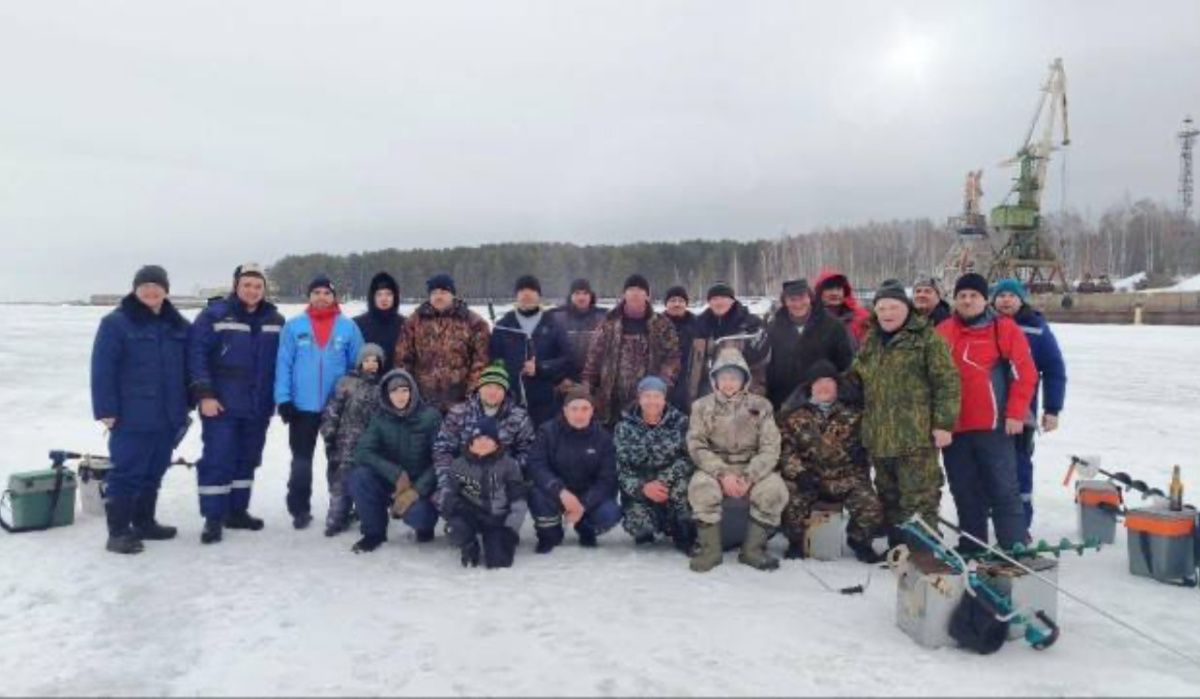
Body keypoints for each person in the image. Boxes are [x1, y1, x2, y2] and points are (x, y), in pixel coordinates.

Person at [846, 280, 960, 547]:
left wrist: (944, 423)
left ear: (906, 308)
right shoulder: (871, 339)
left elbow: (947, 382)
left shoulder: (926, 338)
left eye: (893, 307)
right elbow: (857, 375)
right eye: (882, 307)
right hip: (879, 436)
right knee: (889, 497)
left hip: (915, 438)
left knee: (919, 499)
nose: (887, 313)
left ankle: (923, 554)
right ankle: (898, 552)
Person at [90, 265, 190, 554]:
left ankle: (144, 522)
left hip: (170, 413)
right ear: (135, 289)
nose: (151, 290)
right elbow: (102, 370)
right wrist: (106, 410)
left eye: (156, 286)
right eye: (144, 285)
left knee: (154, 470)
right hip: (131, 414)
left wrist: (191, 400)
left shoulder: (177, 325)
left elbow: (190, 365)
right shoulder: (116, 323)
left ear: (166, 290)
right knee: (127, 472)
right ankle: (118, 532)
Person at [936, 273, 1037, 552]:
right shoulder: (943, 331)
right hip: (954, 428)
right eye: (962, 296)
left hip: (994, 426)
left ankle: (1013, 543)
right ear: (955, 300)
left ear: (984, 300)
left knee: (1003, 487)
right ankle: (972, 543)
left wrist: (1016, 413)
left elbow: (1025, 373)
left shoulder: (1003, 329)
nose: (967, 301)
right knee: (965, 489)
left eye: (973, 296)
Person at [188, 263, 285, 544]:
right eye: (247, 285)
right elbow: (197, 356)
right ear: (236, 286)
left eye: (258, 286)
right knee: (218, 458)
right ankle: (213, 518)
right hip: (222, 404)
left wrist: (280, 398)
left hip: (257, 406)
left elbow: (283, 362)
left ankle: (237, 511)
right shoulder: (213, 315)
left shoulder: (275, 320)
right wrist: (205, 394)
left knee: (247, 459)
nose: (253, 291)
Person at [275, 275, 364, 530]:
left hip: (336, 410)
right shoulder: (294, 326)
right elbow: (284, 365)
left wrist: (350, 399)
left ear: (334, 297)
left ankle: (340, 508)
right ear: (309, 296)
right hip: (302, 409)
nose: (321, 297)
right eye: (317, 293)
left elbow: (355, 367)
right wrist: (283, 399)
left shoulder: (348, 328)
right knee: (301, 461)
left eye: (327, 292)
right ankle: (299, 508)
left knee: (338, 462)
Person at [686, 348, 787, 573]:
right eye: (723, 377)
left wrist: (750, 476)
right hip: (715, 466)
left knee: (774, 490)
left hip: (752, 466)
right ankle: (710, 550)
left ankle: (753, 550)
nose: (728, 383)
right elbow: (697, 445)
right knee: (701, 487)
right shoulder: (701, 406)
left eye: (734, 377)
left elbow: (771, 447)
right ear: (715, 380)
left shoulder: (761, 406)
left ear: (744, 380)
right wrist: (722, 474)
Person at [778, 361, 884, 563]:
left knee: (871, 507)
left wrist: (862, 461)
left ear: (837, 386)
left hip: (847, 478)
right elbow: (786, 450)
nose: (823, 387)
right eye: (818, 382)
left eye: (829, 382)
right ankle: (796, 542)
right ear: (810, 387)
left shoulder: (856, 415)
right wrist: (800, 473)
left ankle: (860, 541)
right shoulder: (795, 416)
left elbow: (871, 445)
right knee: (790, 503)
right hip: (810, 479)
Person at [991, 278, 1067, 527]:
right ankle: (983, 522)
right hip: (985, 412)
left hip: (1021, 413)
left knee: (1018, 466)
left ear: (1021, 299)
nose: (1005, 300)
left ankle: (1020, 524)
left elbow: (1054, 369)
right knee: (986, 467)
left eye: (1011, 296)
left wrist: (1052, 409)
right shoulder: (983, 324)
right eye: (1000, 295)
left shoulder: (1036, 328)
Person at [347, 370, 443, 552]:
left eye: (404, 390)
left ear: (413, 391)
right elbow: (362, 451)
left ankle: (425, 527)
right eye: (394, 391)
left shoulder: (431, 417)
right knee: (359, 476)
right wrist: (395, 473)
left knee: (419, 516)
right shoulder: (380, 419)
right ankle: (374, 533)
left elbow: (441, 459)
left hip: (420, 485)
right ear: (386, 394)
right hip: (391, 481)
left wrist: (415, 491)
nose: (400, 396)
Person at [526, 387, 622, 553]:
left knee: (610, 512)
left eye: (585, 409)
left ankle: (586, 528)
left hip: (588, 495)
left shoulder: (603, 438)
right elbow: (536, 465)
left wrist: (583, 505)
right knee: (536, 493)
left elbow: (607, 479)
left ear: (592, 411)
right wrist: (561, 492)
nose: (579, 414)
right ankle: (550, 533)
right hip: (556, 492)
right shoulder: (547, 432)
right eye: (574, 408)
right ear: (565, 410)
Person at [581, 274, 681, 427]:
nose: (635, 293)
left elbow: (672, 358)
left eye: (640, 290)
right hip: (611, 398)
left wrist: (660, 386)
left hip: (648, 399)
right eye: (631, 289)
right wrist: (587, 388)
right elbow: (594, 358)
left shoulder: (661, 324)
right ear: (624, 294)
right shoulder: (609, 322)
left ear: (647, 295)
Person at [614, 376, 696, 553]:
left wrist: (664, 481)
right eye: (647, 396)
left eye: (657, 396)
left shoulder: (681, 423)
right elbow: (621, 469)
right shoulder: (624, 427)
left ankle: (680, 526)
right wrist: (643, 487)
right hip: (641, 491)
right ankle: (650, 526)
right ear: (639, 398)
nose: (652, 401)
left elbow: (690, 458)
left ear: (664, 399)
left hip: (672, 488)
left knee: (684, 495)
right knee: (639, 527)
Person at [432, 363, 536, 496]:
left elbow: (529, 451)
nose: (492, 392)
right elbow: (442, 450)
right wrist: (449, 481)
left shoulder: (519, 416)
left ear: (506, 391)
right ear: (479, 388)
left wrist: (507, 471)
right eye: (488, 386)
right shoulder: (458, 413)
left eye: (498, 387)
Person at [394, 273, 491, 413]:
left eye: (443, 292)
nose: (438, 296)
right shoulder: (414, 322)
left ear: (452, 294)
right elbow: (402, 359)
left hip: (461, 401)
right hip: (422, 401)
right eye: (434, 292)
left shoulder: (474, 322)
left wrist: (472, 395)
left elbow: (481, 361)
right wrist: (408, 393)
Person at [441, 417, 528, 569]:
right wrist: (455, 511)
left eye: (488, 438)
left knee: (499, 562)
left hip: (497, 518)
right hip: (470, 515)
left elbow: (518, 500)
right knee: (455, 528)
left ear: (496, 443)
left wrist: (511, 529)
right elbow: (448, 496)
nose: (482, 442)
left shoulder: (509, 464)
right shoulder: (458, 465)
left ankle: (496, 542)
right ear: (471, 442)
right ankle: (469, 545)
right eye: (478, 438)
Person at [488, 275, 574, 428]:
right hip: (510, 401)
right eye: (521, 290)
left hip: (546, 402)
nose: (526, 294)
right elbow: (494, 360)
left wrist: (541, 368)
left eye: (531, 290)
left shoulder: (554, 324)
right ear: (516, 295)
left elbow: (568, 360)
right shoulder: (503, 326)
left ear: (539, 295)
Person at [318, 343, 386, 537]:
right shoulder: (346, 383)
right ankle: (336, 519)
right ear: (360, 363)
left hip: (372, 445)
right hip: (345, 442)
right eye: (367, 360)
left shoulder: (384, 386)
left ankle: (368, 517)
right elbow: (332, 411)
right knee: (340, 482)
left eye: (375, 360)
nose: (371, 364)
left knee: (367, 481)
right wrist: (329, 434)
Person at [764, 278, 854, 412]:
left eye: (802, 297)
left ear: (810, 297)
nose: (798, 303)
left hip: (825, 404)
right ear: (785, 302)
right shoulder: (773, 329)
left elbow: (846, 365)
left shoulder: (833, 326)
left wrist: (842, 396)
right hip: (784, 404)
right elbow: (769, 370)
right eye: (792, 299)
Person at [678, 281, 769, 407]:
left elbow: (761, 362)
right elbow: (691, 364)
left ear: (732, 300)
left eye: (724, 298)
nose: (719, 302)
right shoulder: (698, 325)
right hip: (706, 391)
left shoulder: (750, 324)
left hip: (742, 393)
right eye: (714, 299)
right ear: (709, 302)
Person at [549, 278, 607, 389]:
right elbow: (551, 351)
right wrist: (559, 378)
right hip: (564, 382)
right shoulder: (555, 317)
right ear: (571, 296)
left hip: (596, 382)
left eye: (585, 293)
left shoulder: (604, 317)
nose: (581, 297)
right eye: (577, 293)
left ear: (591, 296)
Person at [353, 272, 404, 374]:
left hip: (395, 385)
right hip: (366, 384)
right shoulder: (357, 324)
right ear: (372, 297)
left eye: (388, 294)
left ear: (395, 297)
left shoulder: (405, 324)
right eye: (379, 294)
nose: (384, 298)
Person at [661, 285, 699, 413]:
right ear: (666, 304)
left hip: (690, 383)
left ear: (686, 304)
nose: (677, 304)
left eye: (681, 301)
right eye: (672, 301)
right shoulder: (656, 325)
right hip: (663, 383)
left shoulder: (698, 325)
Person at [814, 268, 870, 349]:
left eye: (839, 289)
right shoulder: (811, 319)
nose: (835, 293)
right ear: (820, 293)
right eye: (830, 289)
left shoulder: (861, 318)